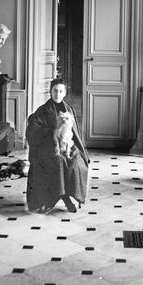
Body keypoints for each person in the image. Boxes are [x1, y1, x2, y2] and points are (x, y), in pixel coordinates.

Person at [25, 78, 89, 213]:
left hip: (67, 145)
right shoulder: (42, 110)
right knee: (58, 162)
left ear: (64, 93)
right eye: (55, 91)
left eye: (61, 91)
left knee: (76, 162)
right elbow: (32, 132)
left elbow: (75, 133)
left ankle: (67, 196)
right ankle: (54, 198)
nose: (57, 94)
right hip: (46, 147)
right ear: (50, 92)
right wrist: (52, 132)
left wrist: (77, 149)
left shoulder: (69, 109)